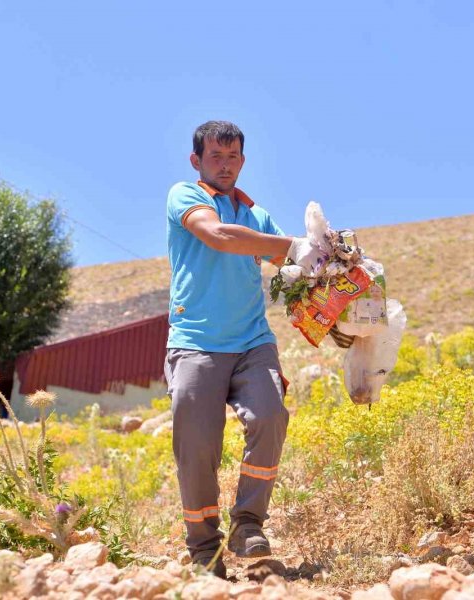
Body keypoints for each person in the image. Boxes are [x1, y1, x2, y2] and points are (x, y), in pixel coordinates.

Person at [165, 120, 322, 578]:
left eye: (233, 157)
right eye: (216, 157)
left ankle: (248, 524)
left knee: (271, 417)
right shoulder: (186, 196)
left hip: (253, 341)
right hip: (195, 342)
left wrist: (335, 268)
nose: (225, 165)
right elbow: (218, 235)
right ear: (197, 161)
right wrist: (295, 246)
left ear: (243, 161)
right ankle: (204, 549)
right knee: (196, 445)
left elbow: (294, 269)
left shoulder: (256, 216)